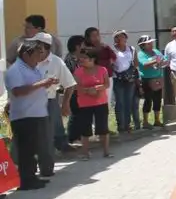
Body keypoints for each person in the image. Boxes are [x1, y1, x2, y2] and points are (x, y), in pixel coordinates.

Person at [5, 36, 60, 189]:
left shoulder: (33, 68)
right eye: (38, 53)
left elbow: (34, 87)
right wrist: (42, 84)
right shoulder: (15, 70)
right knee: (26, 150)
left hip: (37, 113)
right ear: (26, 54)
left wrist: (46, 83)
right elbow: (17, 91)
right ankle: (26, 181)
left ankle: (32, 176)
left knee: (33, 148)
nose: (41, 56)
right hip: (24, 116)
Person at [35, 33, 75, 172]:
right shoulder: (28, 60)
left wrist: (65, 104)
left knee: (47, 136)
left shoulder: (56, 62)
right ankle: (28, 167)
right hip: (30, 102)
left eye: (37, 45)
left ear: (45, 47)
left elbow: (70, 84)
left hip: (49, 101)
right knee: (31, 135)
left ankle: (46, 168)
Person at [73, 47, 112, 159]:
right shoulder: (78, 71)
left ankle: (106, 152)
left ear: (92, 59)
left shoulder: (102, 69)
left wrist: (97, 88)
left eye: (84, 57)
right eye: (80, 57)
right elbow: (76, 87)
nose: (81, 59)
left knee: (103, 128)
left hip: (101, 103)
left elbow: (107, 84)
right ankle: (85, 153)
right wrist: (88, 90)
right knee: (85, 129)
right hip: (84, 104)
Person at [110, 30, 140, 134]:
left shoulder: (131, 49)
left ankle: (127, 124)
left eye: (121, 37)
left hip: (129, 79)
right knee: (120, 102)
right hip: (117, 79)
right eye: (116, 37)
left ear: (126, 38)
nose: (119, 39)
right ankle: (120, 125)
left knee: (128, 101)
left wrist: (131, 72)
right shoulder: (112, 50)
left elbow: (136, 63)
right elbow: (110, 64)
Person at [136, 35, 166, 129]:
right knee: (148, 100)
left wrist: (163, 62)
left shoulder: (156, 51)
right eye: (148, 43)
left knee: (157, 100)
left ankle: (157, 120)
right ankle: (145, 122)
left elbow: (163, 60)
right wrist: (156, 61)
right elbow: (144, 64)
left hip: (158, 78)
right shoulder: (140, 54)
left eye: (151, 42)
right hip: (147, 80)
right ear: (143, 45)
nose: (151, 44)